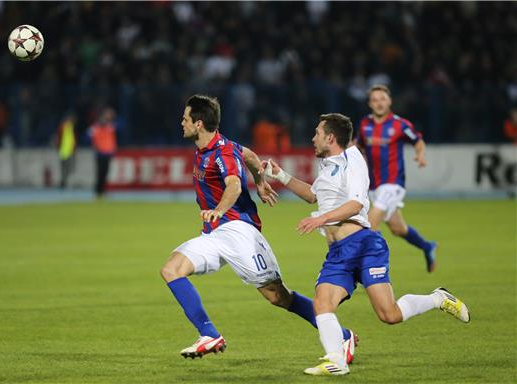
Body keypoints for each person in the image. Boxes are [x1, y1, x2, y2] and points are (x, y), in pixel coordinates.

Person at [263, 113, 470, 376]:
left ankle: (438, 298)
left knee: (390, 315)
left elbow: (357, 203)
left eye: (316, 133)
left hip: (363, 244)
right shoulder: (327, 165)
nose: (312, 138)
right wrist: (280, 175)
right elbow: (313, 196)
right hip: (338, 252)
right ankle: (336, 361)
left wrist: (322, 219)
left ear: (330, 137)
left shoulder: (353, 158)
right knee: (322, 303)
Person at [160, 95, 358, 360]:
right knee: (171, 270)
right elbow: (251, 156)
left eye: (185, 118)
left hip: (239, 232)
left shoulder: (222, 153)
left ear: (198, 124)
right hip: (214, 234)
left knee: (278, 296)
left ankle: (342, 336)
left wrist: (219, 209)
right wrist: (260, 180)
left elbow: (233, 185)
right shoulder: (218, 146)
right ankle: (209, 334)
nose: (180, 122)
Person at [355, 85, 437, 273]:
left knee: (369, 223)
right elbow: (358, 146)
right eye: (375, 100)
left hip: (393, 184)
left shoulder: (400, 124)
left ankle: (368, 271)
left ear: (389, 101)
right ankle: (427, 247)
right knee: (398, 228)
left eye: (382, 99)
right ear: (370, 104)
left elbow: (418, 141)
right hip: (374, 186)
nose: (379, 103)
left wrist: (421, 155)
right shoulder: (364, 124)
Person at [88, 108, 117, 198]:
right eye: (109, 114)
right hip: (100, 152)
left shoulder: (110, 127)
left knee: (105, 173)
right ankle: (98, 191)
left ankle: (102, 191)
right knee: (100, 173)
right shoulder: (96, 127)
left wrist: (113, 149)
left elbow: (112, 139)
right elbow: (89, 135)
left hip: (107, 152)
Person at [56, 113, 77, 189]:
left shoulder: (71, 127)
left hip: (70, 150)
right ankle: (63, 182)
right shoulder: (62, 127)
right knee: (64, 167)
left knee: (69, 167)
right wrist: (58, 147)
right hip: (64, 150)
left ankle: (65, 181)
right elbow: (58, 137)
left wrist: (74, 148)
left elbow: (73, 138)